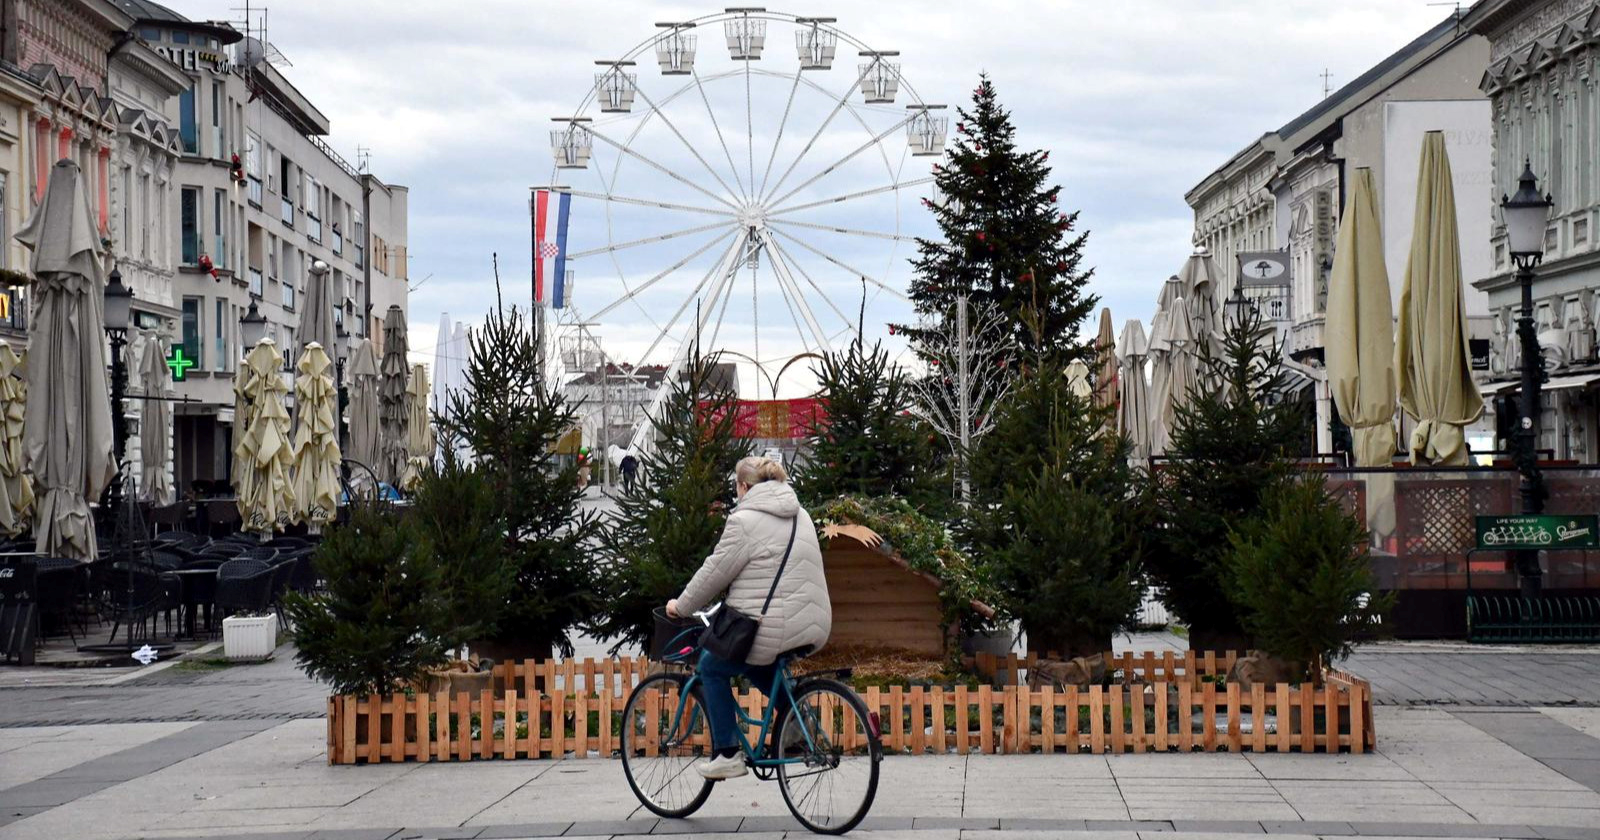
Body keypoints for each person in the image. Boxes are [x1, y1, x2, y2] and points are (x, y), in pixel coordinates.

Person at [667, 455, 831, 780]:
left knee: (711, 668)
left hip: (773, 625)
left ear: (743, 486)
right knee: (758, 667)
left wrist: (681, 606)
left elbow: (714, 573)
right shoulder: (801, 515)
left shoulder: (744, 521)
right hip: (814, 621)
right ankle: (798, 722)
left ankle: (727, 753)